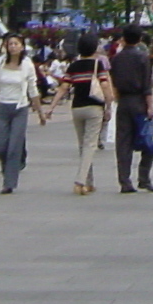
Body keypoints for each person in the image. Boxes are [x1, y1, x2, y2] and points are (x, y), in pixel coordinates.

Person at [0, 33, 45, 194]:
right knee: (1, 147)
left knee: (14, 146)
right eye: (10, 44)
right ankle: (10, 165)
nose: (12, 46)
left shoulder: (27, 64)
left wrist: (40, 111)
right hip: (3, 107)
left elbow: (33, 89)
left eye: (16, 44)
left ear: (22, 46)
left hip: (20, 107)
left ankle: (9, 182)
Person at [108, 28, 153, 194]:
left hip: (123, 101)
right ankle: (144, 177)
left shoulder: (116, 59)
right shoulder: (142, 57)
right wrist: (150, 105)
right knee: (148, 140)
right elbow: (147, 84)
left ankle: (124, 180)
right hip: (139, 101)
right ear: (139, 39)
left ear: (124, 38)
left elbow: (113, 81)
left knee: (123, 141)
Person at [61, 33, 107, 195]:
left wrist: (52, 107)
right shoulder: (97, 65)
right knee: (90, 145)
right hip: (94, 108)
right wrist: (109, 104)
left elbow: (64, 87)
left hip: (77, 109)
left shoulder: (73, 66)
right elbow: (105, 85)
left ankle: (89, 182)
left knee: (83, 146)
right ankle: (80, 181)